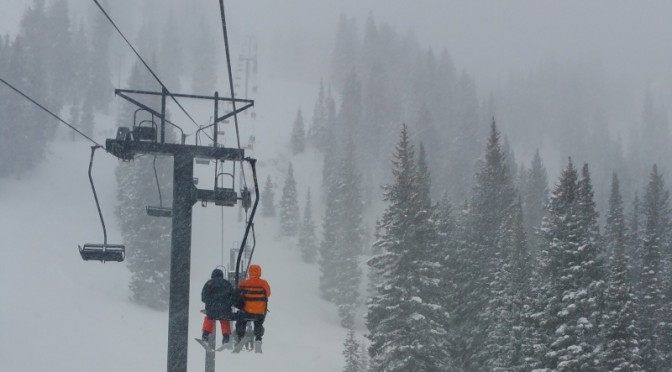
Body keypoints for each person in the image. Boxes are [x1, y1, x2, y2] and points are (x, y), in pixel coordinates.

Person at [235, 264, 271, 348]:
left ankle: (240, 336)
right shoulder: (264, 283)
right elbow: (268, 294)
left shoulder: (244, 283)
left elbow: (238, 294)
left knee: (241, 320)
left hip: (246, 311)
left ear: (249, 272)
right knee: (258, 322)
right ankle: (258, 338)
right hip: (259, 313)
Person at [201, 268, 235, 346]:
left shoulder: (209, 283)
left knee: (209, 318)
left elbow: (203, 298)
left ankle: (205, 335)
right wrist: (228, 304)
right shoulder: (227, 283)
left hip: (212, 309)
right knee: (224, 320)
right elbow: (233, 297)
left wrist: (210, 303)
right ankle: (226, 338)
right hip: (225, 309)